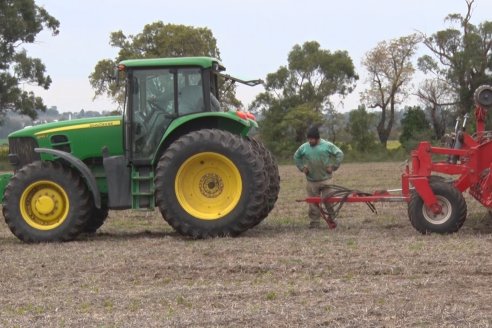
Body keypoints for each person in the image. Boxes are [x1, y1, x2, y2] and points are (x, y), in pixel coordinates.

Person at [293, 126, 344, 229]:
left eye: (312, 139)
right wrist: (302, 168)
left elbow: (339, 154)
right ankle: (314, 224)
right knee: (313, 204)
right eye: (308, 139)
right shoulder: (304, 147)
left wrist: (334, 166)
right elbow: (296, 156)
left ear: (317, 138)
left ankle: (332, 221)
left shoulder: (327, 145)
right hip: (311, 181)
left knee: (329, 202)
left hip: (326, 180)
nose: (310, 141)